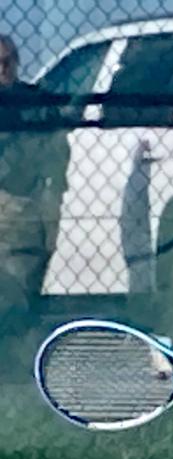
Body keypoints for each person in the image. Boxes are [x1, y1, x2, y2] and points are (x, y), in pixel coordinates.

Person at [0, 33, 69, 367]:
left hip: (20, 204)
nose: (2, 69)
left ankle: (22, 366)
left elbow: (57, 156)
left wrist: (49, 208)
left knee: (20, 289)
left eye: (7, 61)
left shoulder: (35, 102)